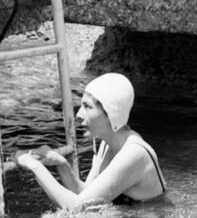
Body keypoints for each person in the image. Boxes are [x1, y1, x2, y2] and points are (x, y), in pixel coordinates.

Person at [15, 72, 166, 209]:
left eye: (88, 107)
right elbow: (86, 195)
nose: (79, 115)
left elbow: (77, 208)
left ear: (111, 114)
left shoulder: (134, 153)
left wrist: (34, 166)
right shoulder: (106, 143)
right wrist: (61, 164)